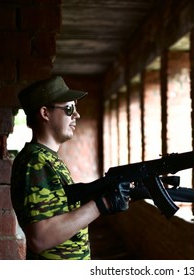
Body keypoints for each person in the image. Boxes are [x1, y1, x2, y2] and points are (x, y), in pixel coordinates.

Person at [10, 76, 131, 260]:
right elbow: (39, 238)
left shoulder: (48, 159)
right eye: (69, 109)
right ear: (45, 113)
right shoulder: (35, 162)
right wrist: (101, 204)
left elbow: (60, 213)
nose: (77, 115)